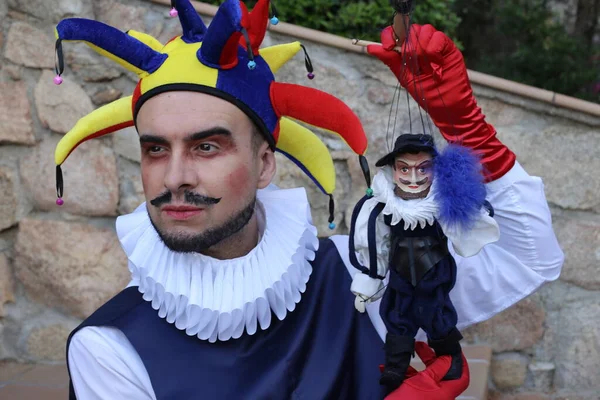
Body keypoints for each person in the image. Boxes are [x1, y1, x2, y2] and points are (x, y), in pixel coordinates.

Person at [51, 0, 563, 399]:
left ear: (266, 163)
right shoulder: (111, 349)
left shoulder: (358, 274)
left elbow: (524, 256)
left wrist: (468, 129)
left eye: (207, 146)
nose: (175, 177)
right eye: (156, 149)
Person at [349, 133, 500, 390]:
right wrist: (370, 277)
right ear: (393, 169)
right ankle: (396, 366)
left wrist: (463, 193)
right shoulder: (382, 205)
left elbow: (477, 214)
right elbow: (375, 242)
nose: (413, 177)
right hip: (399, 273)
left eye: (424, 168)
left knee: (437, 315)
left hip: (436, 271)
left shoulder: (442, 201)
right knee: (397, 315)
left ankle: (450, 361)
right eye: (404, 168)